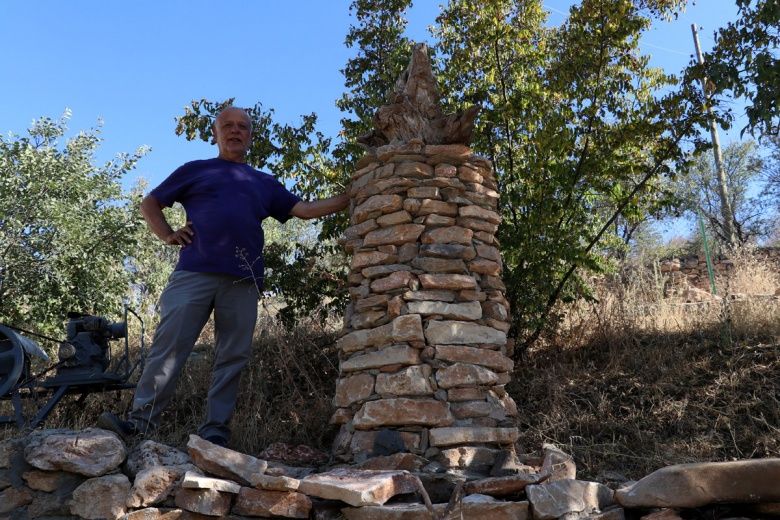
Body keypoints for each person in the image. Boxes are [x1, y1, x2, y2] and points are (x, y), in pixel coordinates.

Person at [99, 106, 349, 446]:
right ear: (214, 134)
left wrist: (352, 196)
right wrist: (168, 234)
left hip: (242, 280)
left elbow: (305, 210)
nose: (235, 131)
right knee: (169, 348)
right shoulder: (196, 170)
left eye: (242, 126)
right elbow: (151, 202)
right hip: (194, 273)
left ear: (250, 135)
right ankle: (141, 422)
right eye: (227, 126)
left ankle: (215, 430)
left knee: (232, 356)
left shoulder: (263, 182)